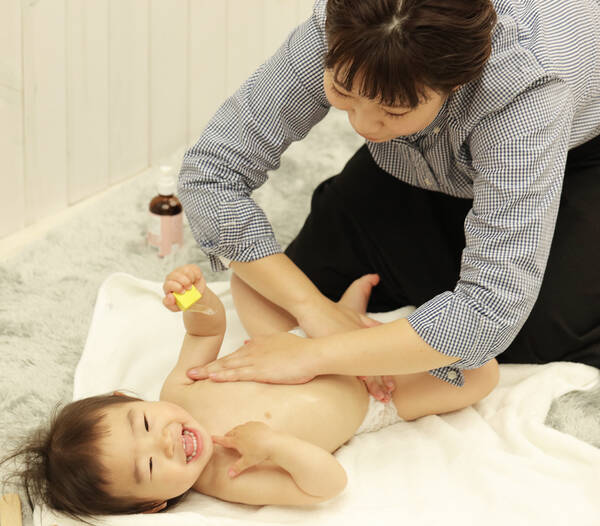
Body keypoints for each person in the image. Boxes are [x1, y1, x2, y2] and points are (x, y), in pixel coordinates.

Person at [178, 0, 600, 395]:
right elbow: (211, 172)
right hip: (416, 160)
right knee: (300, 277)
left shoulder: (527, 87)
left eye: (393, 110)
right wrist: (313, 309)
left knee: (537, 338)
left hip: (576, 158)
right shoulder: (343, 23)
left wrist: (316, 355)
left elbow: (493, 308)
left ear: (457, 82)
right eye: (343, 92)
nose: (363, 126)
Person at [0, 264, 499, 519]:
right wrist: (275, 447)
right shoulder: (225, 476)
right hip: (374, 400)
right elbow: (327, 485)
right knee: (484, 374)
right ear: (154, 505)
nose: (165, 441)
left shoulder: (178, 389)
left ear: (131, 399)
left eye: (145, 423)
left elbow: (206, 329)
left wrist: (191, 297)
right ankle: (360, 329)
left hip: (296, 343)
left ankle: (340, 319)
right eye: (149, 466)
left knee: (246, 280)